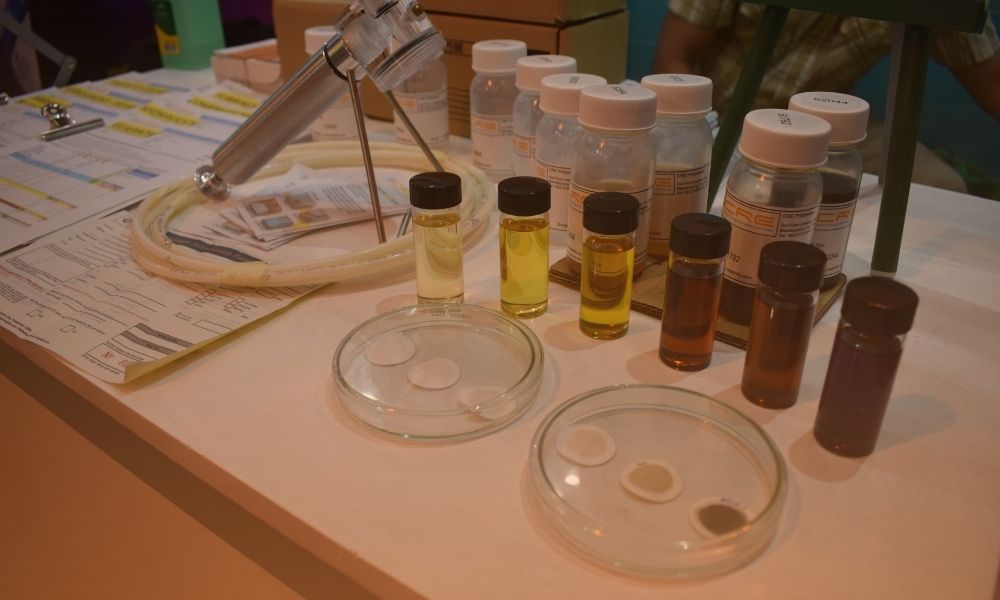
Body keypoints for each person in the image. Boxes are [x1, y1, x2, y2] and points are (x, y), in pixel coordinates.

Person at [654, 1, 1000, 193]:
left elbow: (992, 85)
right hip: (727, 116)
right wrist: (696, 133)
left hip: (831, 129)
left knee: (942, 185)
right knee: (709, 183)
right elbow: (673, 56)